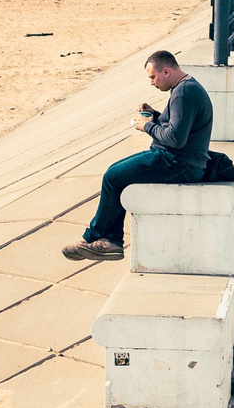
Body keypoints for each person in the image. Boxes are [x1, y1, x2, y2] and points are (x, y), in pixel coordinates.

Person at [63, 51, 213, 262]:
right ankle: (109, 240)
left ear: (166, 71)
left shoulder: (184, 92)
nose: (152, 83)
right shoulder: (186, 87)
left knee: (113, 176)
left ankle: (97, 238)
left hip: (179, 163)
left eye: (153, 77)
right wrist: (155, 115)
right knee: (114, 172)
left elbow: (176, 138)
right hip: (176, 159)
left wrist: (147, 126)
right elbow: (179, 126)